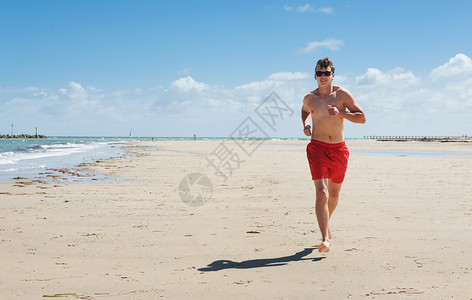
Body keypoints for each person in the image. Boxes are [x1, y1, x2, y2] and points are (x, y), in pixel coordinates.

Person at [301, 57, 366, 252]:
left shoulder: (342, 95)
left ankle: (327, 229)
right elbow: (304, 111)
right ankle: (325, 238)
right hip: (317, 148)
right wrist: (305, 125)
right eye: (319, 73)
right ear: (315, 76)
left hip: (339, 149)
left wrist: (341, 113)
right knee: (322, 193)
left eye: (326, 73)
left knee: (334, 194)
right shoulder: (309, 98)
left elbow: (362, 118)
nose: (323, 76)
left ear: (332, 75)